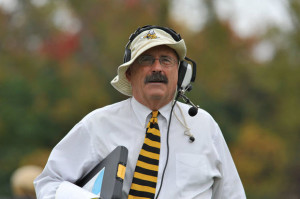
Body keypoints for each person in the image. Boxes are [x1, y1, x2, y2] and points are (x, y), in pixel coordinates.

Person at [34, 25, 246, 199]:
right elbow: (48, 183)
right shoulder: (97, 124)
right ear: (129, 73)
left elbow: (232, 195)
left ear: (181, 74)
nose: (157, 68)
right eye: (146, 60)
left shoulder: (204, 125)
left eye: (166, 60)